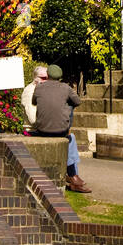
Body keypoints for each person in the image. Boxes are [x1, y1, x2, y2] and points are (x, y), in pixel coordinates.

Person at [32, 64, 91, 193]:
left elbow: (34, 102)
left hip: (42, 129)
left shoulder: (39, 88)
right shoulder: (66, 88)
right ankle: (73, 175)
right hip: (61, 131)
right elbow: (78, 101)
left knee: (70, 137)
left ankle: (73, 177)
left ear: (48, 75)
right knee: (70, 132)